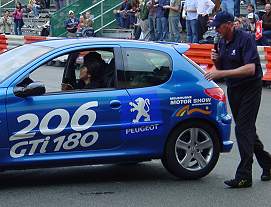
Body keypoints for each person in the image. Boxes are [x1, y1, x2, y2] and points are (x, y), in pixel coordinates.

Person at [205, 11, 271, 188]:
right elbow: (222, 68)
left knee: (242, 129)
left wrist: (220, 72)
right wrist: (217, 61)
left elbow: (250, 68)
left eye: (218, 26)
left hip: (250, 87)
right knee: (246, 129)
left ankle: (244, 176)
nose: (216, 30)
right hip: (234, 88)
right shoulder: (220, 42)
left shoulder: (245, 38)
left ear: (229, 24)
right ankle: (268, 164)